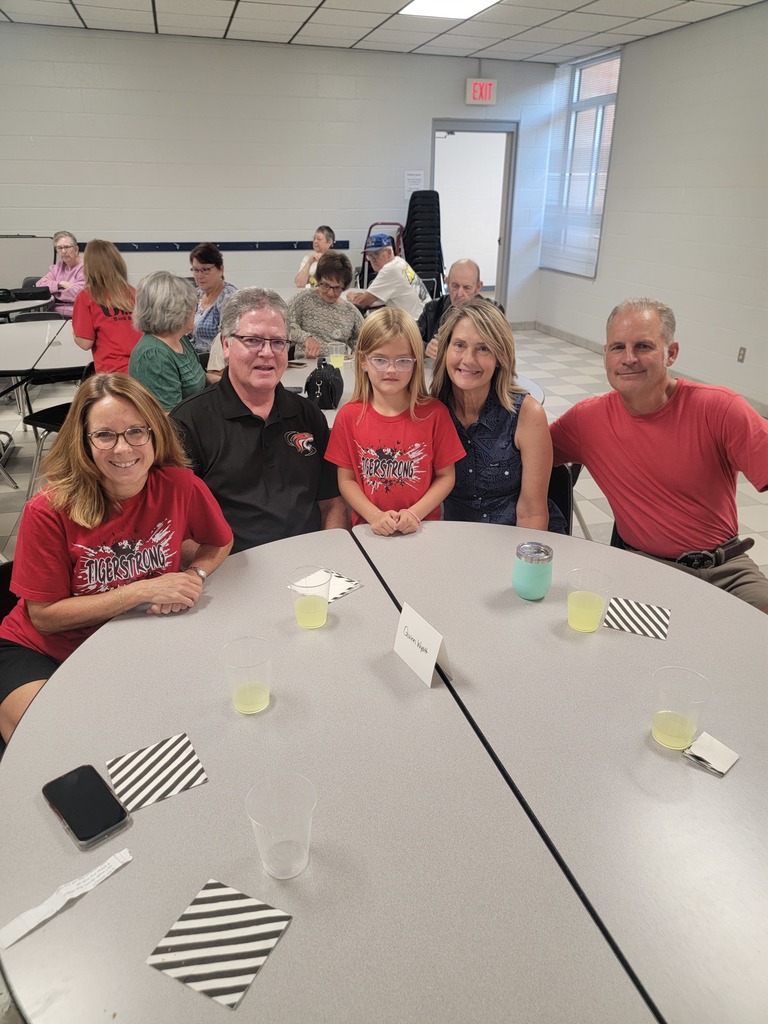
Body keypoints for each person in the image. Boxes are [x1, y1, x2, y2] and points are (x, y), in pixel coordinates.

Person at [0, 374, 233, 742]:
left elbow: (219, 541)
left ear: (155, 434)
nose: (123, 449)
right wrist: (142, 591)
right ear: (84, 442)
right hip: (44, 650)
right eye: (105, 435)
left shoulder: (180, 485)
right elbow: (43, 617)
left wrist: (194, 577)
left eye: (136, 432)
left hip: (134, 642)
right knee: (50, 741)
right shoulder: (48, 510)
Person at [549, 297, 768, 612]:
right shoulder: (587, 421)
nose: (628, 358)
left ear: (672, 353)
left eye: (643, 346)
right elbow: (525, 451)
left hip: (726, 568)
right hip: (646, 567)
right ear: (605, 355)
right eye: (617, 347)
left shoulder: (720, 408)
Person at [171, 287, 348, 553]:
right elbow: (175, 528)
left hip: (311, 563)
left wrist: (331, 556)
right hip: (234, 569)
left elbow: (332, 503)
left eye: (278, 342)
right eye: (253, 340)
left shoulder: (308, 415)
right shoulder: (188, 424)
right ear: (226, 346)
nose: (267, 353)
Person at [325, 307, 465, 536]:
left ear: (416, 363)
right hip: (369, 530)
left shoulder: (434, 414)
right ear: (363, 360)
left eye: (402, 361)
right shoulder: (348, 416)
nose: (391, 370)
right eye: (380, 359)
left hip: (423, 529)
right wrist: (374, 515)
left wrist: (415, 513)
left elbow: (446, 476)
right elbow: (346, 480)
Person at [431, 298, 566, 533]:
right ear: (445, 350)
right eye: (460, 345)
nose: (468, 359)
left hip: (515, 537)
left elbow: (532, 512)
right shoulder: (431, 412)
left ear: (500, 358)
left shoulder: (527, 415)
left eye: (483, 348)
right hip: (454, 538)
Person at [129, 271, 206, 411]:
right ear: (176, 311)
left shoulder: (180, 339)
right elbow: (169, 418)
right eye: (192, 307)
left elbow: (197, 379)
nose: (195, 312)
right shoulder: (154, 355)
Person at [72, 239, 142, 373]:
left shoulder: (86, 297)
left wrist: (75, 333)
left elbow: (85, 343)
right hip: (142, 368)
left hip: (112, 374)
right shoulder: (133, 292)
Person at [418, 259, 504, 359]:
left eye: (467, 288)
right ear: (447, 282)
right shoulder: (432, 309)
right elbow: (411, 338)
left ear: (478, 287)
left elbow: (502, 350)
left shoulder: (493, 312)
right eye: (455, 286)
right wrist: (425, 348)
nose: (459, 294)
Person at [288, 251, 364, 358]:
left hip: (338, 367)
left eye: (337, 288)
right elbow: (281, 324)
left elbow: (365, 343)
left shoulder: (350, 312)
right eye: (325, 285)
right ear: (318, 280)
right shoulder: (303, 299)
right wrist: (305, 338)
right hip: (306, 365)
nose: (330, 293)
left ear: (345, 286)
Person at [345, 234, 428, 320]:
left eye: (376, 254)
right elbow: (372, 297)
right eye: (370, 256)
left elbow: (363, 302)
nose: (373, 260)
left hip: (415, 324)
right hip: (424, 319)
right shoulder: (399, 262)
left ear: (389, 252)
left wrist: (352, 297)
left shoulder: (389, 270)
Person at [189, 242, 238, 364]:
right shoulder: (196, 294)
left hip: (217, 363)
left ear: (220, 269)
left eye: (205, 270)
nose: (199, 276)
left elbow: (230, 342)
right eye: (195, 270)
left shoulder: (229, 298)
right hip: (195, 359)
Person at [36, 231, 85, 317]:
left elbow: (79, 293)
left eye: (67, 247)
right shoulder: (57, 267)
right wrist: (61, 284)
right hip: (53, 314)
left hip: (76, 314)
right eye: (59, 248)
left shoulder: (86, 267)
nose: (63, 251)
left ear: (76, 249)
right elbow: (39, 285)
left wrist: (53, 292)